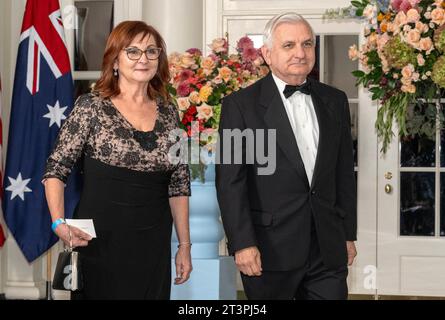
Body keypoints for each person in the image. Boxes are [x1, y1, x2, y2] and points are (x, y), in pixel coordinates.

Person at [43, 21, 192, 300]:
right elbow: (56, 168)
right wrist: (57, 222)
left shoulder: (170, 111)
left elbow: (179, 183)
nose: (143, 59)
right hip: (101, 242)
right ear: (115, 59)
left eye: (151, 51)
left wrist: (184, 245)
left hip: (153, 243)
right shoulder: (90, 106)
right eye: (132, 51)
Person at [216, 12, 357, 300]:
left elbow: (343, 173)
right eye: (289, 45)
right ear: (267, 53)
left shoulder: (336, 100)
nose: (300, 53)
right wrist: (242, 243)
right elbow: (230, 182)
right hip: (268, 250)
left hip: (327, 250)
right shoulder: (239, 107)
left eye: (307, 44)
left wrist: (347, 234)